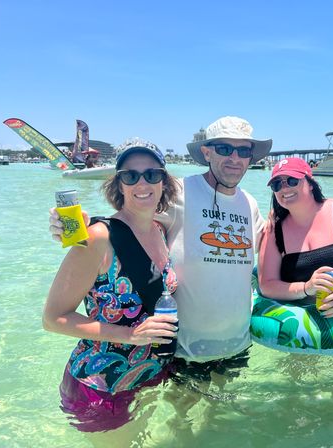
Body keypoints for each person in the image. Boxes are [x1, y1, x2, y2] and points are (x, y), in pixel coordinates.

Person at [50, 116, 272, 384]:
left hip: (237, 344)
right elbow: (130, 217)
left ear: (251, 157)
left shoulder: (250, 203)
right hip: (184, 351)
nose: (234, 158)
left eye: (243, 150)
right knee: (182, 423)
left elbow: (269, 248)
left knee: (220, 421)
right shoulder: (180, 190)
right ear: (206, 152)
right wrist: (74, 226)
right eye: (224, 149)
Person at [43, 138, 180, 436]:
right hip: (101, 386)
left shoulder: (162, 229)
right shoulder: (97, 238)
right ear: (119, 185)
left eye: (152, 174)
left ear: (163, 183)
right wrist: (129, 335)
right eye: (130, 176)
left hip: (149, 374)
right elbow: (53, 319)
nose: (142, 182)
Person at [258, 157, 333, 318]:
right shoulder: (275, 229)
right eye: (277, 184)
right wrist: (306, 288)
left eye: (292, 180)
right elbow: (267, 284)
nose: (284, 188)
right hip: (302, 321)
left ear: (311, 183)